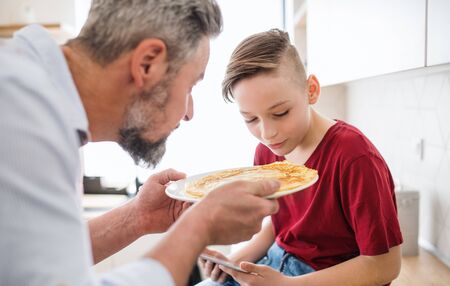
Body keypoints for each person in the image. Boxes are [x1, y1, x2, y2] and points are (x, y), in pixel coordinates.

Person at [0, 1, 280, 286]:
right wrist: (200, 227)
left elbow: (45, 256)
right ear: (147, 64)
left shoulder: (35, 94)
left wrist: (139, 216)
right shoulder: (19, 115)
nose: (189, 113)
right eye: (190, 86)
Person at [197, 29, 403, 286]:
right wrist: (236, 262)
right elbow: (281, 224)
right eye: (250, 119)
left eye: (280, 113)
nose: (267, 133)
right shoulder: (268, 150)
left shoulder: (355, 157)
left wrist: (288, 284)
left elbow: (386, 264)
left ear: (311, 91)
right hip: (275, 263)